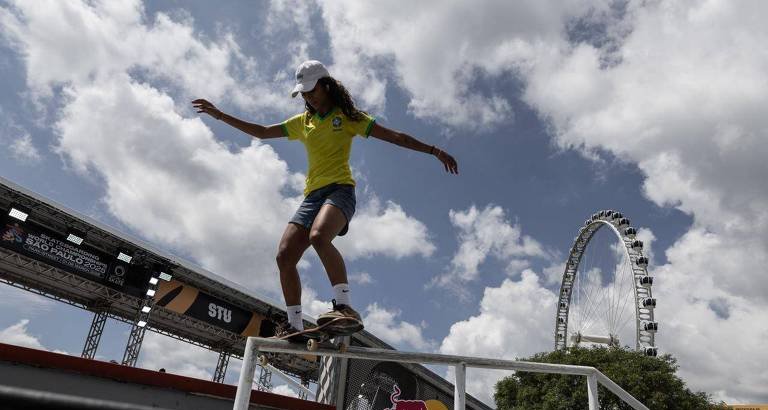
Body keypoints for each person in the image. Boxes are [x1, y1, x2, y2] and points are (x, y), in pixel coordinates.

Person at [192, 60, 458, 340]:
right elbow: (262, 131)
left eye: (312, 90)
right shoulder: (303, 123)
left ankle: (344, 306)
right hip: (312, 197)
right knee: (284, 255)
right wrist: (220, 115)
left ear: (327, 85)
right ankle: (294, 326)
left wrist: (434, 150)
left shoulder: (348, 117)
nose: (308, 97)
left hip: (340, 191)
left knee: (320, 236)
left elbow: (395, 136)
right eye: (303, 93)